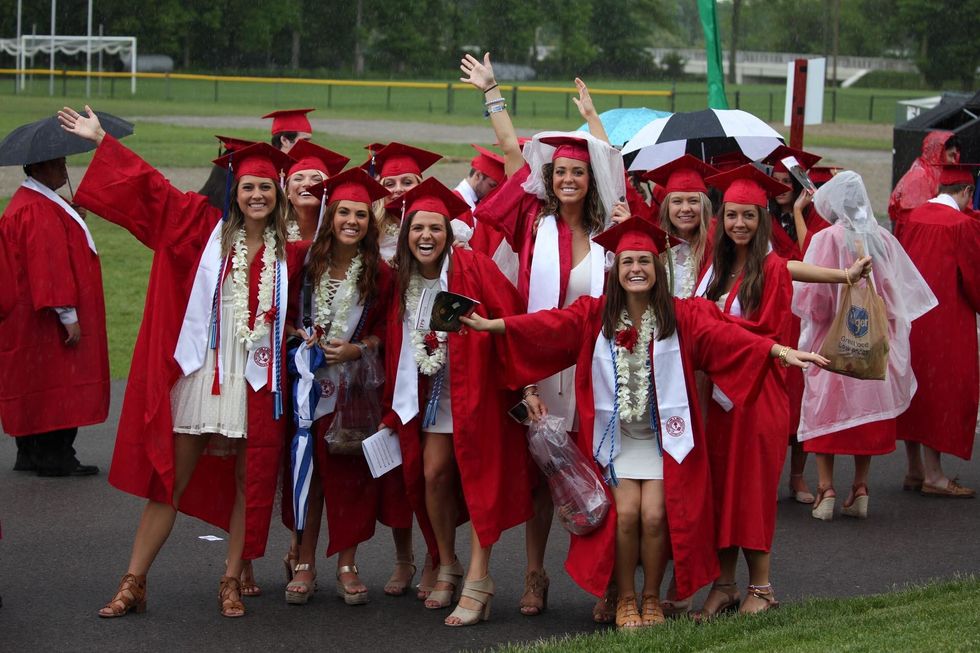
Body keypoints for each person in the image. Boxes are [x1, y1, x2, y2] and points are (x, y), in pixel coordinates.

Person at [461, 216, 826, 628]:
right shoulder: (595, 315)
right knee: (626, 514)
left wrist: (779, 352)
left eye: (644, 262)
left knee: (654, 515)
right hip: (615, 442)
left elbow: (730, 338)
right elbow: (546, 325)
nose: (636, 269)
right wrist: (492, 325)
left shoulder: (681, 316)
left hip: (662, 441)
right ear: (616, 270)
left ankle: (651, 597)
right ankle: (625, 598)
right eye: (628, 262)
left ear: (658, 268)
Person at [58, 105, 308, 619]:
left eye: (266, 188)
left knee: (248, 481)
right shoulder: (203, 231)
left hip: (257, 381)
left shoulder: (292, 253)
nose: (257, 195)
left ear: (278, 194)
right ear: (235, 193)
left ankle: (231, 580)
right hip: (204, 374)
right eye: (248, 187)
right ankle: (134, 581)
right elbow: (153, 192)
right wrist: (103, 141)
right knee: (170, 480)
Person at [693, 164, 872, 617]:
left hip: (756, 396)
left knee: (751, 492)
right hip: (719, 401)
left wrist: (846, 276)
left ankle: (762, 587)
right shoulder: (716, 270)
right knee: (720, 491)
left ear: (762, 220)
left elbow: (770, 320)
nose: (739, 224)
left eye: (748, 216)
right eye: (732, 215)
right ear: (721, 219)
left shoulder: (770, 269)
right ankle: (724, 585)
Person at [473, 130, 628, 618]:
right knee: (543, 476)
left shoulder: (610, 236)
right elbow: (511, 156)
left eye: (578, 172)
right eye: (560, 172)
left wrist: (593, 122)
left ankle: (608, 582)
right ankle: (535, 574)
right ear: (550, 178)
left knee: (602, 473)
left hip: (594, 369)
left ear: (592, 179)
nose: (568, 179)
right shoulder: (532, 223)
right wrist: (492, 99)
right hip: (538, 368)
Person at [380, 178, 533, 626]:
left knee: (480, 480)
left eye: (435, 228)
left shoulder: (475, 268)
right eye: (417, 229)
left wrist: (527, 388)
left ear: (449, 234)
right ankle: (446, 561)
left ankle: (479, 579)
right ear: (406, 235)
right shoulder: (400, 280)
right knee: (432, 474)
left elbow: (512, 317)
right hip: (431, 397)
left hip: (477, 393)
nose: (426, 236)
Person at [280, 168, 414, 605]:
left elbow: (387, 331)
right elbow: (281, 312)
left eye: (360, 214)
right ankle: (304, 561)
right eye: (343, 213)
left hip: (352, 392)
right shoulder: (302, 261)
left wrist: (359, 348)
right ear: (329, 216)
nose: (352, 221)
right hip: (304, 387)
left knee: (348, 475)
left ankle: (347, 563)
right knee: (308, 473)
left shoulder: (381, 274)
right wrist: (297, 336)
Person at [793, 171, 937, 519]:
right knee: (865, 409)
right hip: (871, 341)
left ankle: (826, 488)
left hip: (830, 338)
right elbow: (896, 295)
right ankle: (860, 487)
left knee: (824, 409)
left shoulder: (826, 238)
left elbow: (813, 299)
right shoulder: (882, 239)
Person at [0, 153, 107, 476]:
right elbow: (50, 265)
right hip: (45, 318)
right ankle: (55, 455)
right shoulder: (38, 209)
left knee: (33, 381)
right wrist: (68, 315)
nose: (64, 168)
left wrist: (70, 216)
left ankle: (30, 451)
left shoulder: (32, 202)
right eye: (57, 163)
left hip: (27, 316)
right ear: (36, 167)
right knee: (58, 382)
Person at [897, 163, 980, 498]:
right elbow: (974, 279)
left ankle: (914, 469)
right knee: (941, 392)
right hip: (946, 322)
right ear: (967, 192)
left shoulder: (913, 217)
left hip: (911, 316)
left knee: (914, 388)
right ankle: (934, 475)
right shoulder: (960, 225)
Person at [640, 154, 718, 298]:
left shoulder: (717, 245)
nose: (685, 208)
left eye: (693, 201)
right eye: (677, 201)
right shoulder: (656, 245)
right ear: (667, 207)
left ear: (704, 206)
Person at [361, 142, 442, 263]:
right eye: (390, 184)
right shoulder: (370, 229)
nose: (398, 189)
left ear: (420, 186)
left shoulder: (441, 226)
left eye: (407, 182)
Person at [888, 131, 959, 238]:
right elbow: (914, 219)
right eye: (951, 155)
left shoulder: (935, 173)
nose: (954, 161)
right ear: (938, 152)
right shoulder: (919, 176)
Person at [282, 139, 349, 242]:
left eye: (316, 179)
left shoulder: (341, 232)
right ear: (287, 192)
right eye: (298, 179)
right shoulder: (274, 231)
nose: (307, 183)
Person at [454, 145, 505, 210]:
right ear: (478, 175)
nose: (495, 193)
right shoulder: (457, 203)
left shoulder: (476, 200)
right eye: (492, 185)